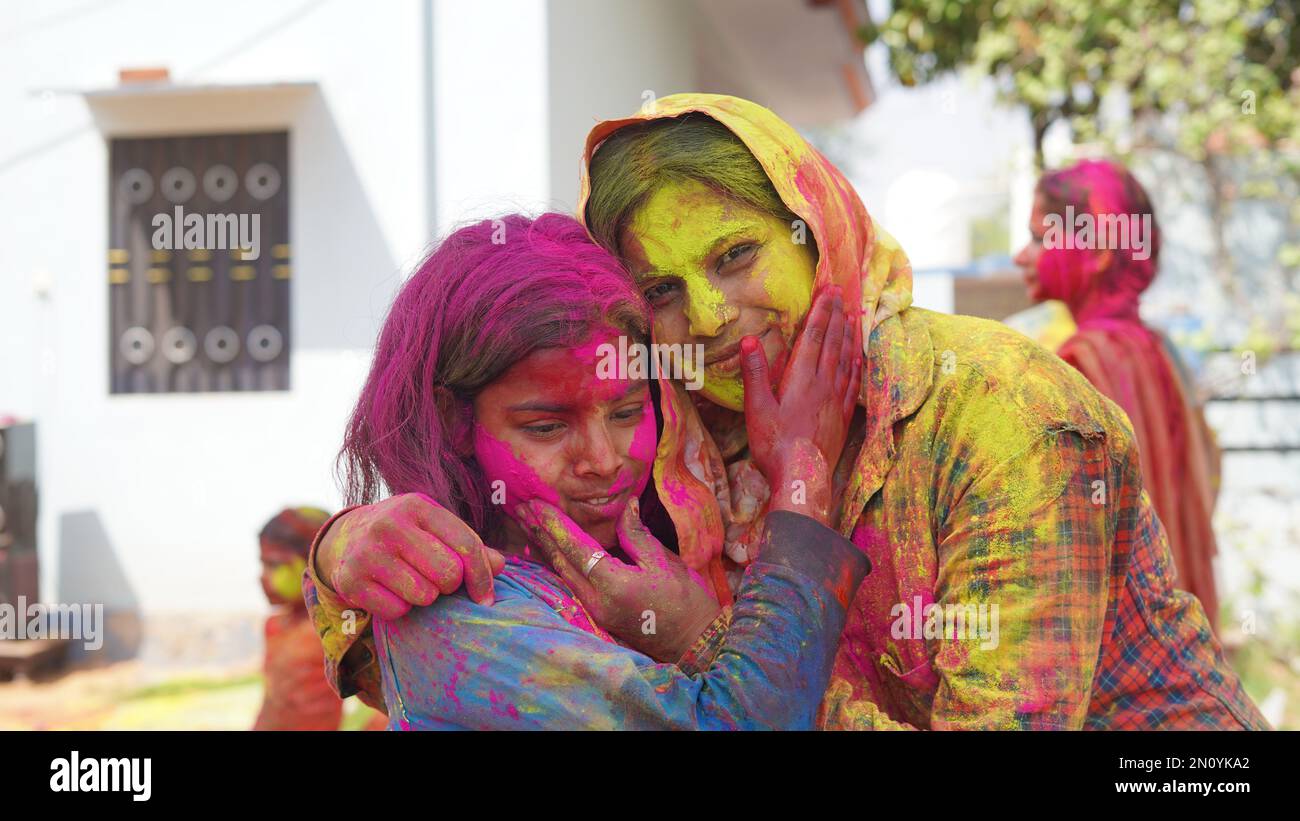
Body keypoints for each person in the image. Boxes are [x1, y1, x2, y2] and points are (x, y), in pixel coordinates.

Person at [314, 95, 1267, 730]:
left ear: (819, 228)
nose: (716, 317)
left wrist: (704, 644)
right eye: (665, 288)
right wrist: (344, 549)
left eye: (736, 255)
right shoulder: (672, 436)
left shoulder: (995, 411)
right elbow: (498, 625)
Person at [308, 213, 868, 729]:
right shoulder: (461, 611)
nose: (603, 461)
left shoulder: (664, 543)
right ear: (455, 421)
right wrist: (800, 475)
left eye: (627, 412)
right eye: (547, 428)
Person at [1013, 159, 1222, 630]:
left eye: (1041, 238)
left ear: (1098, 250)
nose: (1020, 256)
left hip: (1119, 645)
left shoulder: (1079, 364)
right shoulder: (1161, 353)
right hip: (1179, 638)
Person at [254, 506, 344, 731]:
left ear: (314, 563)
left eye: (275, 565)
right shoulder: (274, 626)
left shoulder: (336, 628)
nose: (263, 577)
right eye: (262, 564)